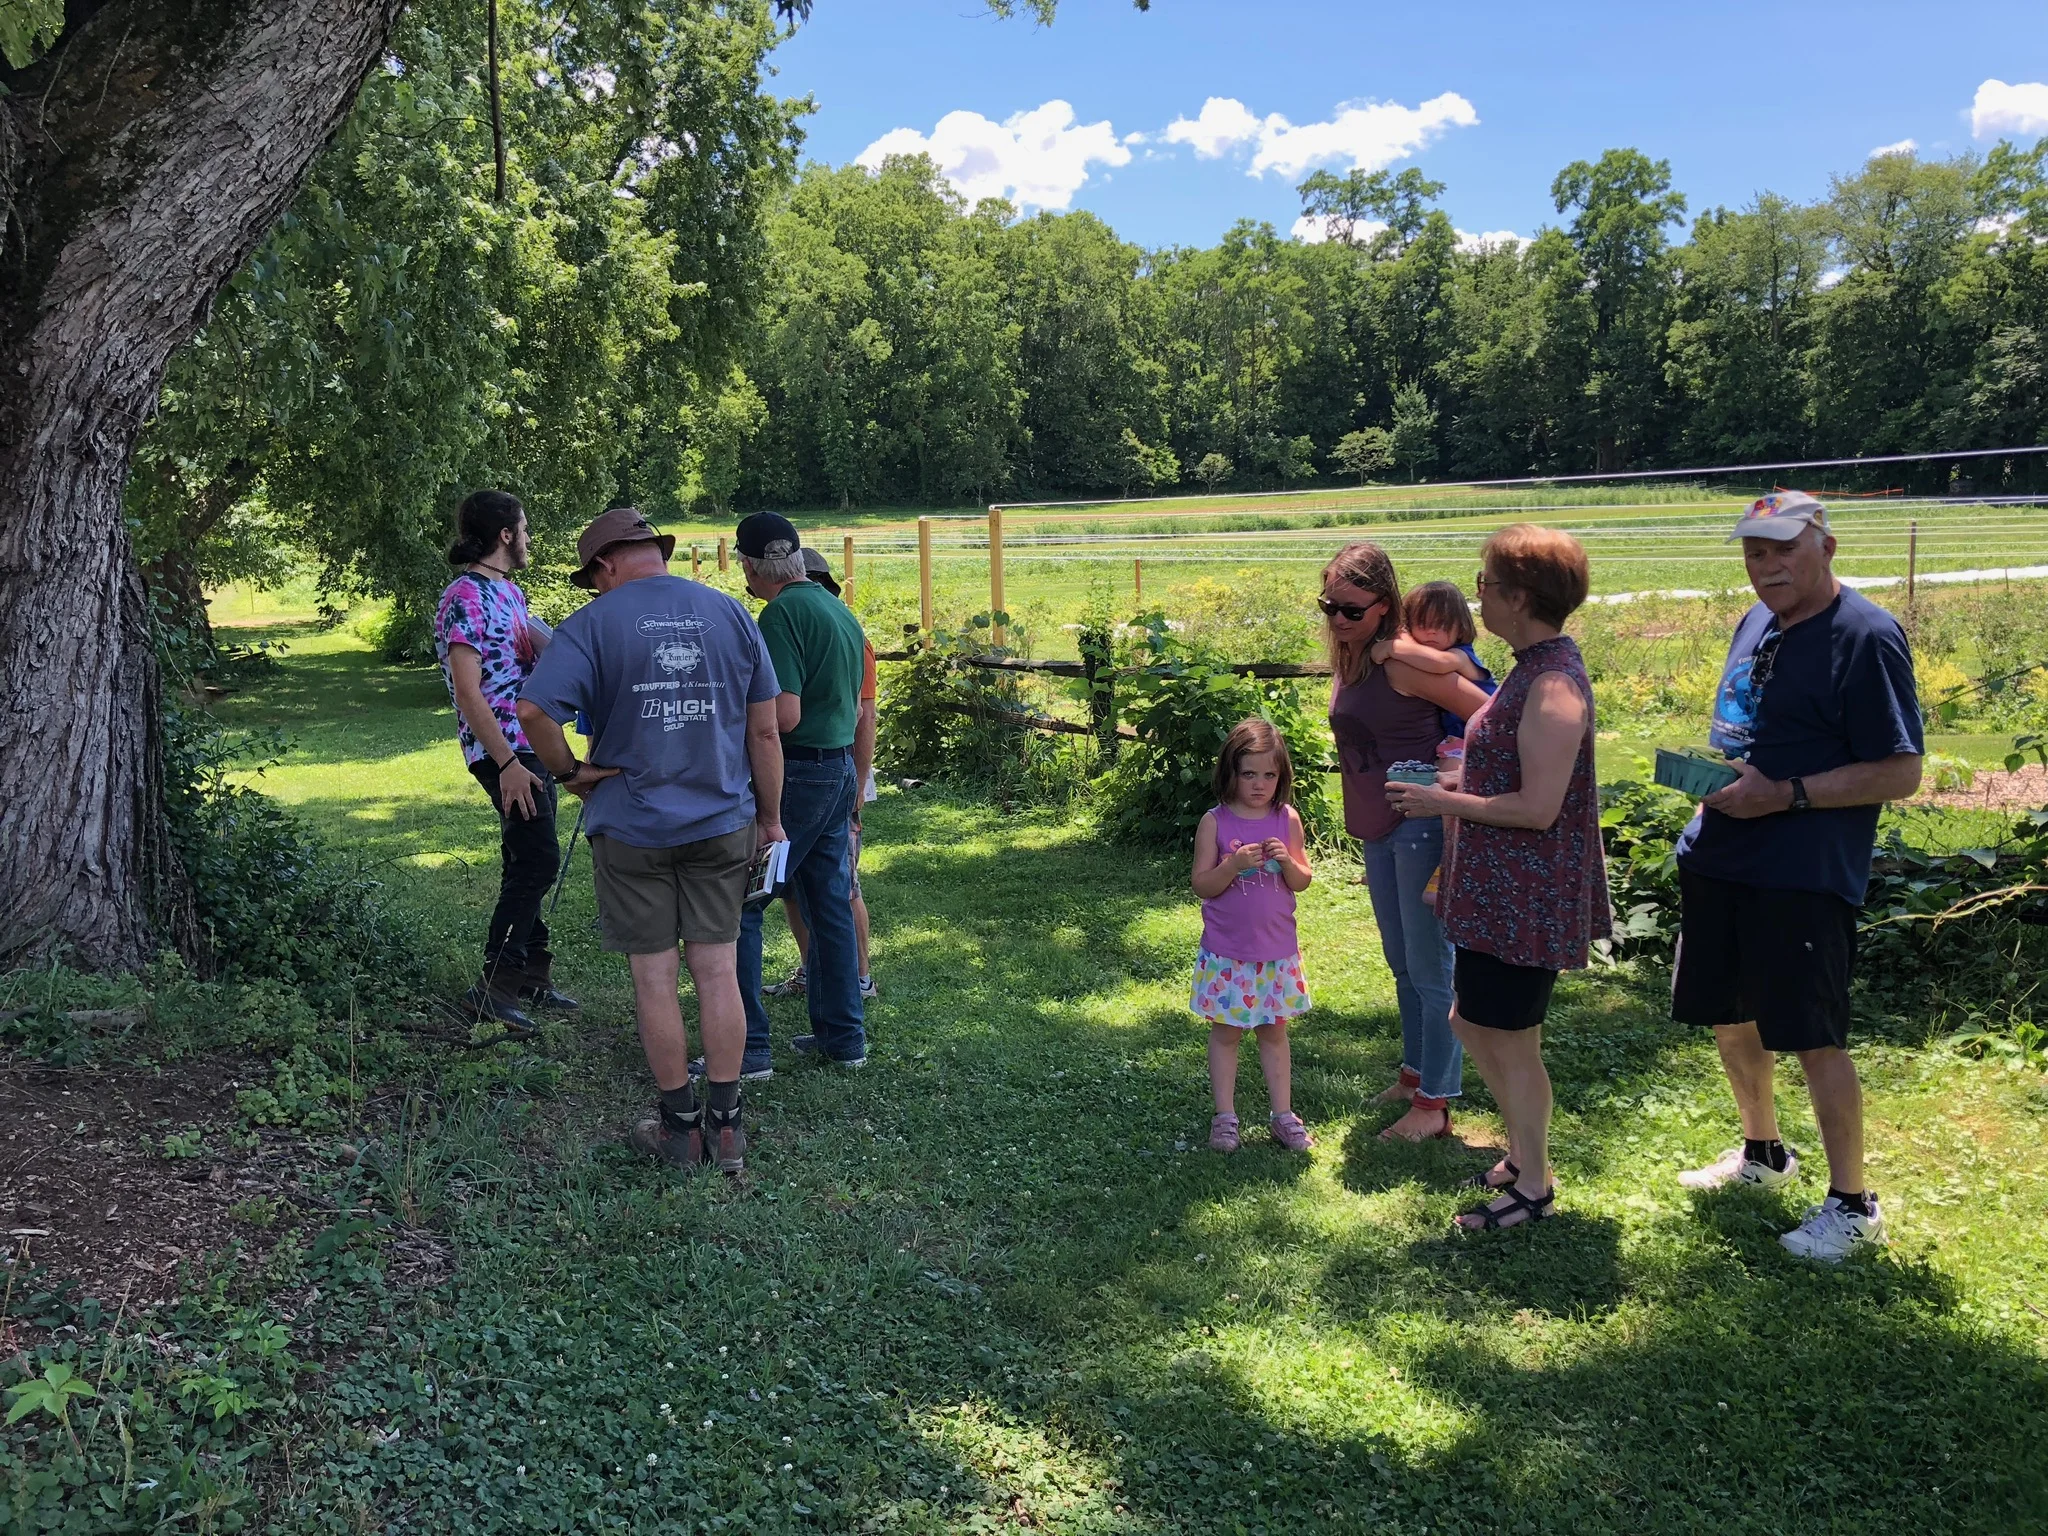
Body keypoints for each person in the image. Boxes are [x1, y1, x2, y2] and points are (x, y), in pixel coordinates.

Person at [1670, 490, 1923, 1261]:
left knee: (1813, 1036)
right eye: (1755, 551)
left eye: (1783, 549)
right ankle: (1763, 1153)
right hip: (1721, 854)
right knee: (1729, 1015)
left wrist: (1785, 794)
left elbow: (1901, 771)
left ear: (1827, 546)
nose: (1767, 565)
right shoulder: (1757, 622)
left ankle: (1852, 1203)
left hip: (1802, 872)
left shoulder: (1867, 636)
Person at [515, 507, 787, 1175]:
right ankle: (727, 1130)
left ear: (605, 564)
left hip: (632, 828)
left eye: (592, 577)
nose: (594, 588)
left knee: (655, 975)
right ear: (653, 552)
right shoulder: (730, 615)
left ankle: (678, 1128)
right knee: (718, 970)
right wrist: (771, 818)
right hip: (723, 821)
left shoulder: (591, 625)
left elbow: (530, 711)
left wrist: (570, 774)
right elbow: (765, 733)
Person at [1386, 526, 1611, 1230]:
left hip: (1527, 898)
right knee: (1483, 1024)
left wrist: (1442, 799)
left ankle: (1533, 1185)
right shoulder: (1527, 665)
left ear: (1520, 596)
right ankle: (1524, 1152)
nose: (1477, 590)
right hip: (1498, 891)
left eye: (1486, 582)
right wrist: (1469, 774)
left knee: (1504, 1035)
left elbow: (1540, 809)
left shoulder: (1552, 685)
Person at [1323, 543, 1493, 1140]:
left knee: (1429, 969)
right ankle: (1414, 1075)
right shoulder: (1355, 661)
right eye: (1330, 607)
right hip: (1379, 829)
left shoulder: (1400, 662)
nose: (1338, 620)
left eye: (1351, 610)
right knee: (1402, 964)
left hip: (1420, 826)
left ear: (1384, 605)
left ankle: (1434, 1105)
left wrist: (1453, 778)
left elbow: (1493, 715)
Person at [432, 489, 572, 1036]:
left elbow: (552, 648)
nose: (530, 536)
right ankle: (495, 988)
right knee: (537, 860)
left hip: (528, 745)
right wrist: (508, 762)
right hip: (504, 751)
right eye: (525, 527)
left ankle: (533, 974)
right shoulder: (464, 597)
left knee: (527, 857)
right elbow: (469, 694)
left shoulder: (507, 593)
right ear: (505, 535)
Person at [734, 513, 870, 1071]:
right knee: (828, 904)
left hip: (797, 777)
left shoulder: (780, 614)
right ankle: (844, 1041)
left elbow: (782, 715)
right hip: (838, 771)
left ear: (746, 564)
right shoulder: (836, 608)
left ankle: (749, 1050)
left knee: (742, 904)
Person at [1191, 719, 1317, 1153]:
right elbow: (1202, 885)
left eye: (1269, 775)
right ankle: (1225, 1117)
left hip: (1275, 952)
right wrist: (1232, 866)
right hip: (1228, 953)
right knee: (1226, 1032)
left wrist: (1287, 862)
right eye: (1249, 774)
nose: (1260, 784)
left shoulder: (1288, 820)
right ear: (1230, 772)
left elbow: (1302, 880)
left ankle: (1283, 1116)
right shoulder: (1216, 822)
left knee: (1274, 1032)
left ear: (1281, 777)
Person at [763, 547, 880, 1002]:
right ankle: (818, 975)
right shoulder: (819, 623)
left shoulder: (843, 632)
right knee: (799, 887)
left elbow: (863, 715)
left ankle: (859, 976)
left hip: (830, 767)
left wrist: (859, 782)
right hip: (826, 768)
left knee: (841, 885)